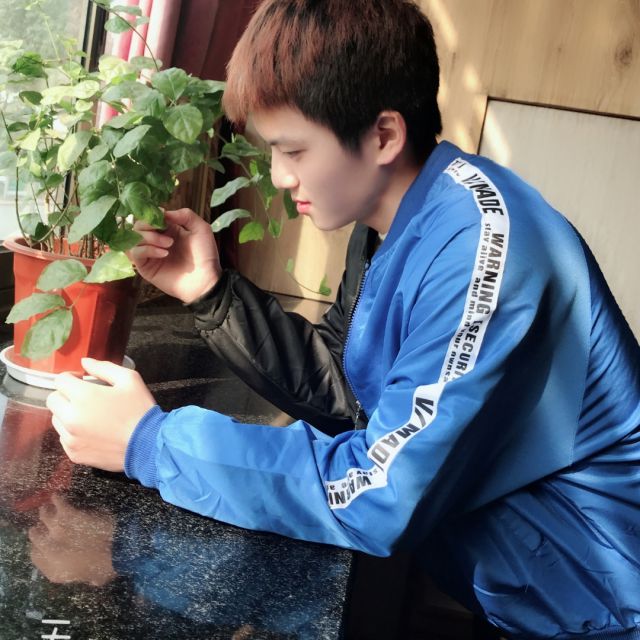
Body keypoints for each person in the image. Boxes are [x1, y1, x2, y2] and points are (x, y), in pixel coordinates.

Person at [45, 0, 640, 637]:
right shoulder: (396, 219)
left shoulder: (483, 254)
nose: (280, 176)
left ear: (383, 136)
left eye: (294, 150)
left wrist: (151, 443)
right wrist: (211, 293)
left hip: (604, 607)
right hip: (528, 592)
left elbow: (380, 492)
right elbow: (349, 388)